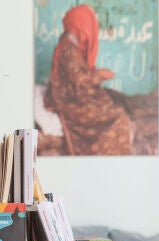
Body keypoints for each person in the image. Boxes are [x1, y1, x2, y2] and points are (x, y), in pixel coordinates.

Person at [44, 4, 132, 155]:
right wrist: (100, 75)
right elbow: (79, 78)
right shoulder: (68, 49)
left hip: (72, 94)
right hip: (68, 100)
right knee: (117, 117)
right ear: (81, 26)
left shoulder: (70, 45)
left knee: (110, 102)